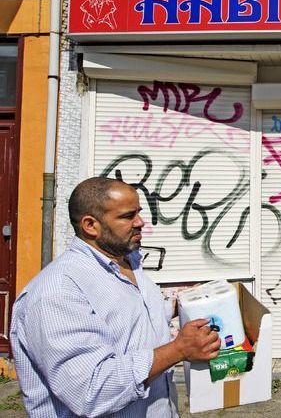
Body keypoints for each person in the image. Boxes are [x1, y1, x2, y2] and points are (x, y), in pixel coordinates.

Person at [10, 177, 221, 417]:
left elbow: (129, 323)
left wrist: (180, 304)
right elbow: (90, 391)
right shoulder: (57, 291)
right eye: (128, 216)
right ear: (91, 225)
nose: (140, 222)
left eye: (139, 213)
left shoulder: (128, 263)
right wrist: (178, 350)